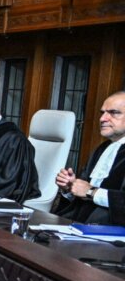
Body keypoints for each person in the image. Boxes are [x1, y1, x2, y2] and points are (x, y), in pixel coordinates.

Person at [55, 91, 125, 225]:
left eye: (114, 112)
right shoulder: (102, 148)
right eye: (102, 112)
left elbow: (89, 192)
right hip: (81, 224)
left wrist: (91, 192)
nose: (103, 118)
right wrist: (70, 188)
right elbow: (82, 195)